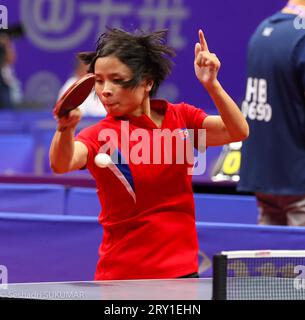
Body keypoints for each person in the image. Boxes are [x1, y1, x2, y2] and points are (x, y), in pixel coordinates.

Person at [49, 28, 248, 280]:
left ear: (147, 82)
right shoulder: (99, 135)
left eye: (117, 79)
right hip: (123, 279)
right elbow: (62, 162)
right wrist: (65, 129)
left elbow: (237, 131)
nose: (105, 90)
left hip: (182, 274)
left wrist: (212, 85)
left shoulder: (180, 118)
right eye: (99, 80)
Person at [238, 1, 305, 226]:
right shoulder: (302, 36)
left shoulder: (264, 29)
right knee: (297, 259)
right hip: (298, 181)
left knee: (271, 258)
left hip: (264, 178)